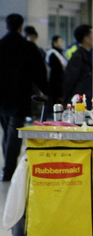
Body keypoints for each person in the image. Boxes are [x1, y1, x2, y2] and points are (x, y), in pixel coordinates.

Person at [0, 14, 48, 181]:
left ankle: (8, 167)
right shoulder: (27, 47)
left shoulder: (1, 45)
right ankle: (9, 171)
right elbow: (39, 73)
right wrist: (47, 91)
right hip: (19, 96)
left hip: (2, 98)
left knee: (7, 131)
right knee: (13, 132)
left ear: (6, 26)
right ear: (21, 27)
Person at [63, 24, 92, 108]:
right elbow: (70, 79)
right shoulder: (78, 57)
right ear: (86, 39)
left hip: (84, 98)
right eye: (92, 35)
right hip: (79, 100)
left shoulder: (86, 55)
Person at [46, 35, 67, 108]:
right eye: (59, 41)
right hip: (55, 79)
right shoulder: (52, 53)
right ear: (54, 42)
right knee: (56, 97)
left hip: (60, 78)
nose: (61, 43)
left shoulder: (60, 52)